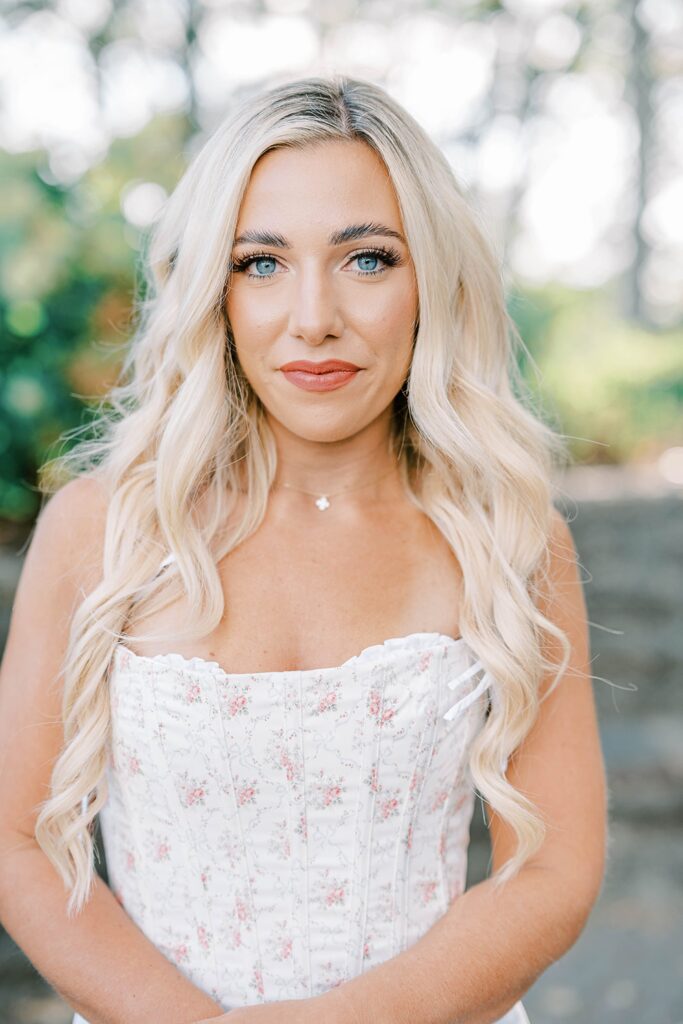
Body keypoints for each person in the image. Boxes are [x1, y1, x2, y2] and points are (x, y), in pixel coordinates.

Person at [0, 75, 607, 1024]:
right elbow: (18, 845)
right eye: (261, 263)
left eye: (367, 260)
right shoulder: (101, 529)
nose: (313, 316)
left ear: (431, 282)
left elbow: (556, 868)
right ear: (213, 287)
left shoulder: (507, 540)